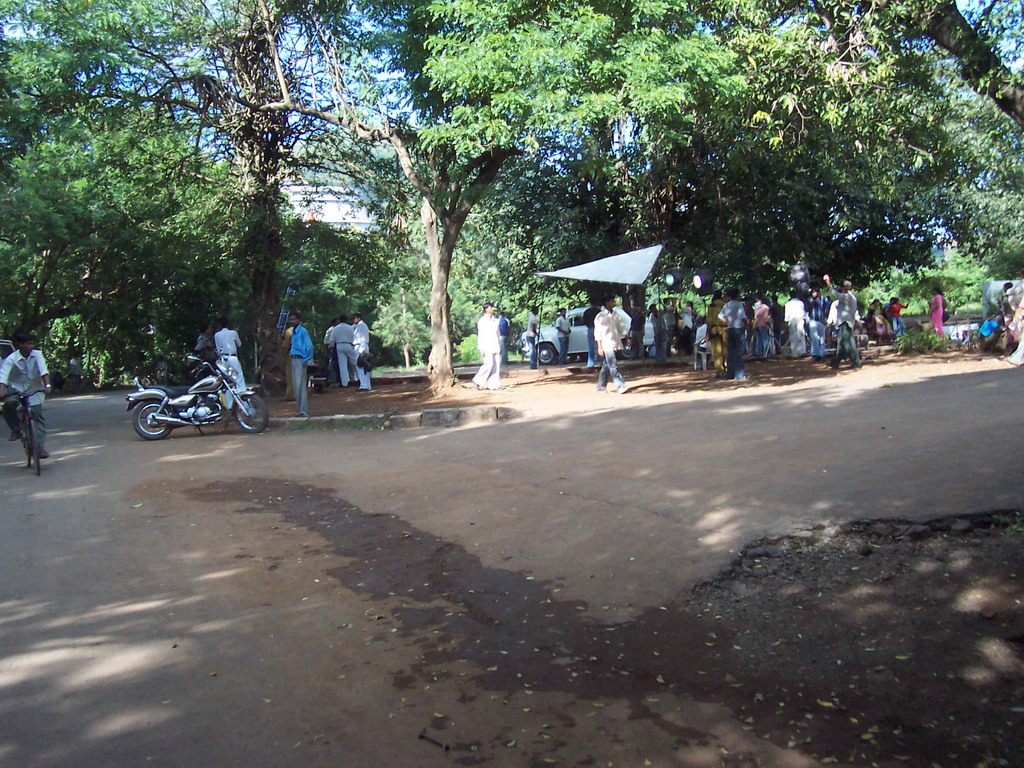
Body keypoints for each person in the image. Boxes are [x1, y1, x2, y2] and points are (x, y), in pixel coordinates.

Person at [0, 333, 52, 458]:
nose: (31, 346)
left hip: (34, 389)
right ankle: (16, 429)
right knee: (9, 405)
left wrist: (47, 385)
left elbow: (43, 370)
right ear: (20, 345)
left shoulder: (37, 355)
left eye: (32, 343)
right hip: (17, 389)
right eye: (28, 344)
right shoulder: (12, 359)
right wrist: (2, 391)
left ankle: (39, 448)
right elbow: (4, 376)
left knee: (37, 415)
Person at [823, 274, 862, 369]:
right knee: (841, 345)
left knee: (849, 344)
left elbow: (834, 293)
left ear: (845, 288)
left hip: (845, 322)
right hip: (847, 322)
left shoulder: (846, 297)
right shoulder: (852, 297)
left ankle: (856, 362)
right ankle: (835, 362)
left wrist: (828, 283)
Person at [594, 294, 629, 393]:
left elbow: (620, 326)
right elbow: (597, 333)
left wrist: (626, 336)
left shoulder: (615, 314)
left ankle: (601, 386)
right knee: (613, 365)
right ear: (607, 303)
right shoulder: (600, 316)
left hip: (614, 342)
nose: (613, 303)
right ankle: (620, 385)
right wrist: (599, 347)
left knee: (607, 365)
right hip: (606, 344)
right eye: (612, 301)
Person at [718, 288, 748, 380]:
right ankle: (739, 374)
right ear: (737, 295)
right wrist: (746, 324)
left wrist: (727, 322)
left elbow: (720, 316)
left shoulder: (726, 305)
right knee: (739, 352)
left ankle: (730, 374)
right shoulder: (739, 305)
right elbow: (743, 317)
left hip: (730, 329)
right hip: (738, 329)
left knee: (730, 352)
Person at [287, 312, 314, 417]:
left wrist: (305, 359)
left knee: (301, 386)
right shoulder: (293, 332)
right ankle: (300, 410)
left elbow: (310, 347)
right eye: (290, 320)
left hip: (300, 360)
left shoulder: (303, 331)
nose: (292, 321)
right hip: (293, 359)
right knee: (296, 386)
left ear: (298, 320)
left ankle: (304, 411)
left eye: (294, 319)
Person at [472, 303, 502, 390]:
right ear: (487, 309)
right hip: (487, 345)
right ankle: (478, 379)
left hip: (495, 344)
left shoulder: (494, 320)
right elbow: (481, 335)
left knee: (496, 365)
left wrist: (499, 344)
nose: (492, 309)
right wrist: (481, 347)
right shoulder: (482, 321)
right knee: (489, 363)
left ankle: (494, 385)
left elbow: (497, 333)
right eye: (491, 307)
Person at [214, 316, 246, 389]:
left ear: (219, 325)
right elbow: (239, 344)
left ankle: (228, 399)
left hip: (223, 359)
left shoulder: (217, 335)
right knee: (239, 376)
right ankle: (243, 397)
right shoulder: (233, 333)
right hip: (233, 357)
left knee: (227, 379)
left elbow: (218, 349)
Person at [329, 315, 357, 387]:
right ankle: (360, 378)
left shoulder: (335, 328)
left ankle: (344, 383)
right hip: (349, 345)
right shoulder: (350, 328)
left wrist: (332, 346)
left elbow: (331, 340)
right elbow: (354, 337)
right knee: (355, 362)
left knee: (342, 365)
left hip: (339, 345)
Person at [706, 290, 728, 378]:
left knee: (716, 350)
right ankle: (728, 368)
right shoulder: (725, 304)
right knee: (726, 350)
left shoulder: (712, 305)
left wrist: (707, 333)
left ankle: (720, 371)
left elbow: (709, 321)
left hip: (715, 329)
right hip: (726, 329)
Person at [806, 287, 830, 360]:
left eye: (814, 292)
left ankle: (821, 353)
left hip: (821, 320)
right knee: (814, 337)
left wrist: (826, 318)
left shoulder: (824, 299)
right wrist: (810, 305)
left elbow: (827, 308)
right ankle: (814, 353)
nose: (813, 294)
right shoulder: (810, 300)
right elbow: (806, 309)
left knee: (822, 338)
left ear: (818, 292)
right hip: (813, 320)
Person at [352, 312, 372, 391]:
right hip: (359, 346)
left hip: (360, 346)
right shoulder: (358, 326)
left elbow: (362, 338)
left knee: (361, 366)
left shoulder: (361, 325)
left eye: (355, 318)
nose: (353, 320)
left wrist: (361, 350)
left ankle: (364, 385)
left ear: (359, 318)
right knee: (362, 366)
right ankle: (366, 385)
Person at [784, 291, 807, 357]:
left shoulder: (788, 303)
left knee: (792, 336)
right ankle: (802, 352)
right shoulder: (800, 303)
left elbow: (787, 315)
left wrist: (786, 322)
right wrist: (804, 320)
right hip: (800, 319)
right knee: (801, 335)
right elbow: (803, 313)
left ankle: (794, 353)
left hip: (791, 320)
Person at [583, 297, 602, 368]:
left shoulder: (586, 311)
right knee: (600, 346)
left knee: (591, 346)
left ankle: (590, 364)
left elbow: (584, 321)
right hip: (598, 328)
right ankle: (602, 362)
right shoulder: (599, 311)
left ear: (590, 303)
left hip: (590, 328)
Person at [323, 317, 340, 388]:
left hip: (337, 348)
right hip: (332, 349)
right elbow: (326, 342)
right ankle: (330, 380)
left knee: (337, 364)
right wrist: (326, 352)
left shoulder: (338, 329)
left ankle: (337, 379)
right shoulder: (330, 330)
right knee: (331, 365)